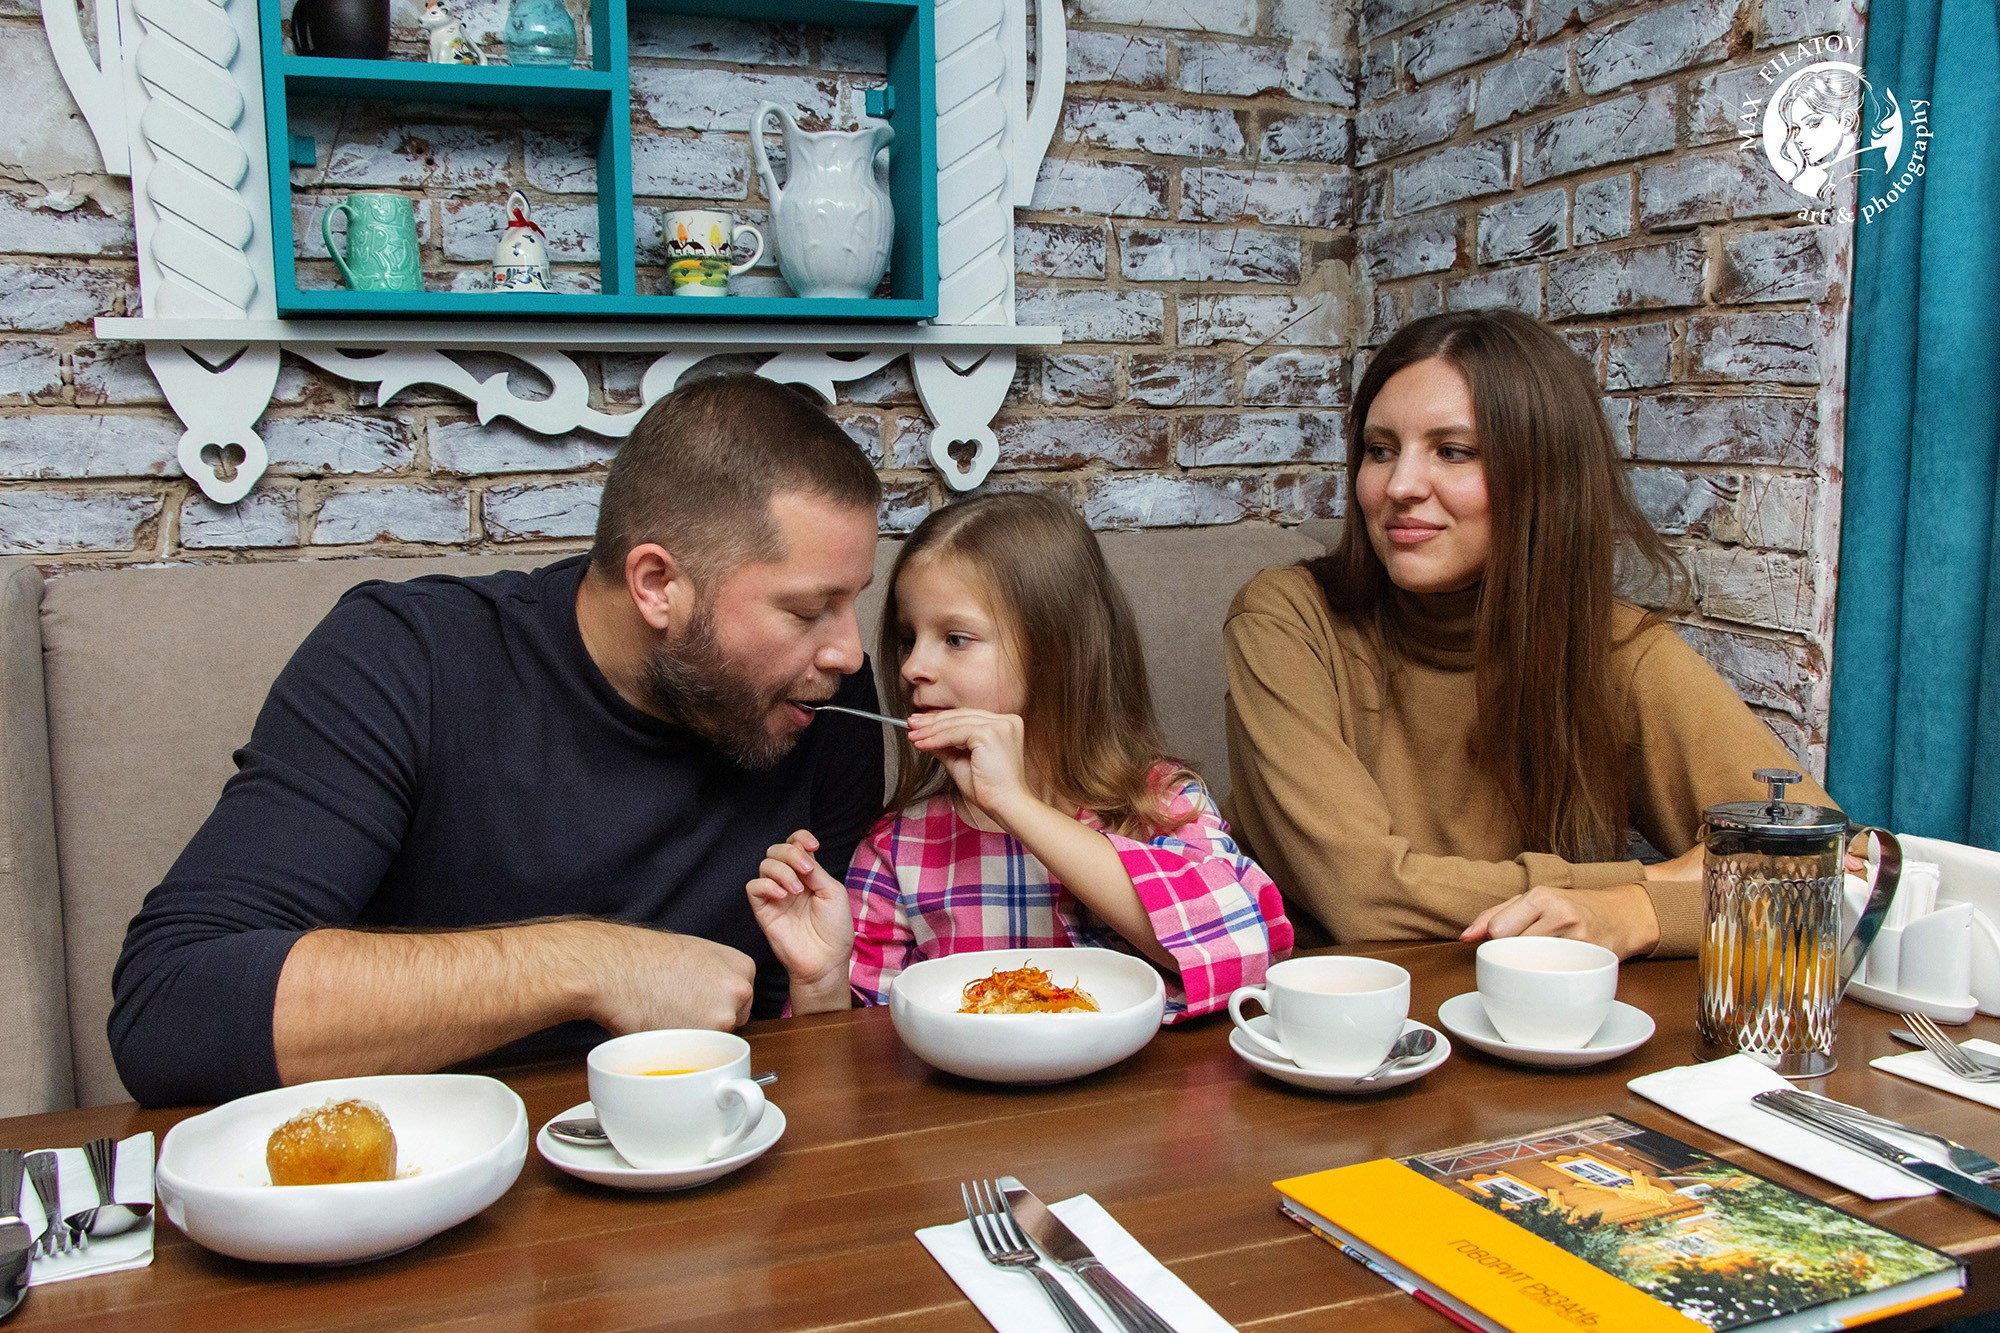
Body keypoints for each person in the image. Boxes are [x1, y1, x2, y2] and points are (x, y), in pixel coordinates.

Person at [109, 374, 888, 1106]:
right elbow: (170, 1007)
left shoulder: (819, 695)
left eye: (851, 602)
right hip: (430, 1190)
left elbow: (805, 1027)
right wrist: (588, 963)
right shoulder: (406, 659)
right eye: (806, 609)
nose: (849, 651)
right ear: (657, 583)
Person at [1222, 310, 1835, 960]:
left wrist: (1642, 912)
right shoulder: (1285, 618)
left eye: (1453, 451)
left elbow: (1835, 875)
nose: (1398, 485)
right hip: (1328, 1030)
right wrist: (1645, 885)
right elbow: (1360, 896)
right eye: (1379, 450)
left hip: (1541, 1029)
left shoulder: (1616, 650)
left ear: (1542, 476)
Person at [744, 492, 1292, 1020]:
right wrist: (819, 982)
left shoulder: (1164, 803)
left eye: (956, 638)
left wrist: (1016, 804)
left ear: (1059, 652)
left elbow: (1244, 954)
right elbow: (854, 1067)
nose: (913, 667)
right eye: (909, 639)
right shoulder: (898, 850)